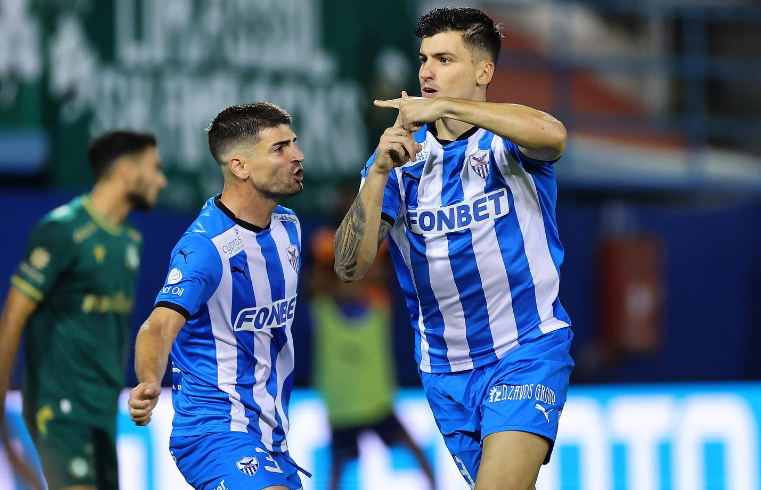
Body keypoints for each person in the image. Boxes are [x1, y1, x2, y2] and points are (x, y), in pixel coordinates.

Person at [334, 7, 574, 490]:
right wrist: (378, 173)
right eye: (424, 59)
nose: (427, 71)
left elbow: (555, 137)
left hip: (527, 348)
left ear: (484, 71)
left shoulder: (509, 142)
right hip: (446, 371)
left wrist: (447, 108)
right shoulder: (400, 161)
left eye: (445, 59)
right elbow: (348, 268)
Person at [128, 102, 308, 490]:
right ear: (239, 167)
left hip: (272, 438)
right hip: (213, 432)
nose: (298, 155)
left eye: (293, 143)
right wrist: (148, 380)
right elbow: (159, 324)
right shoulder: (205, 248)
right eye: (279, 148)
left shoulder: (289, 227)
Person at [0, 130, 166, 490]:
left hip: (105, 410)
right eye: (154, 168)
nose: (161, 180)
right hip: (59, 407)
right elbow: (12, 319)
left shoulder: (130, 241)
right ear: (126, 171)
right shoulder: (62, 230)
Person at [310, 226, 436, 490]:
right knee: (336, 472)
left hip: (376, 404)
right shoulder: (321, 309)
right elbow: (318, 285)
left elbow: (378, 273)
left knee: (418, 455)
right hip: (343, 410)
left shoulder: (379, 305)